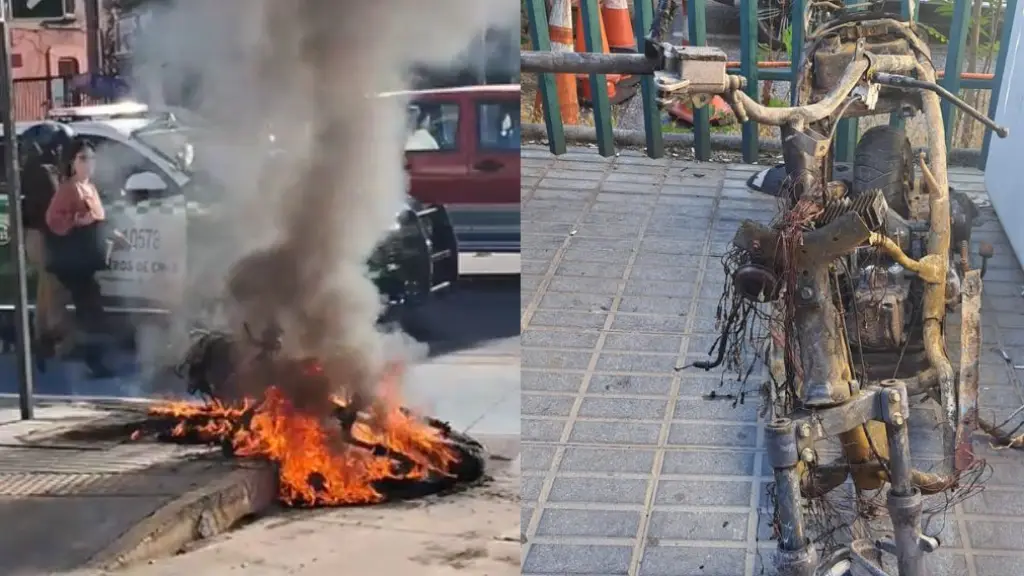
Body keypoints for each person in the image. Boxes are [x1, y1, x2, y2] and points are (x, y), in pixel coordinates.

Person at [45, 138, 126, 378]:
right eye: (83, 158)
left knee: (90, 308)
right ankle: (93, 359)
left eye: (91, 158)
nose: (88, 163)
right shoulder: (68, 188)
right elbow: (53, 219)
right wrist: (75, 222)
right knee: (91, 309)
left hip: (89, 259)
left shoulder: (89, 187)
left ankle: (65, 346)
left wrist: (116, 236)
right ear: (72, 162)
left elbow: (98, 220)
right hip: (76, 261)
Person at [19, 122, 75, 369]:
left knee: (46, 288)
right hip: (43, 235)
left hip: (37, 234)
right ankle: (51, 339)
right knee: (54, 288)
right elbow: (55, 203)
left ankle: (42, 339)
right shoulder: (43, 171)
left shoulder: (36, 167)